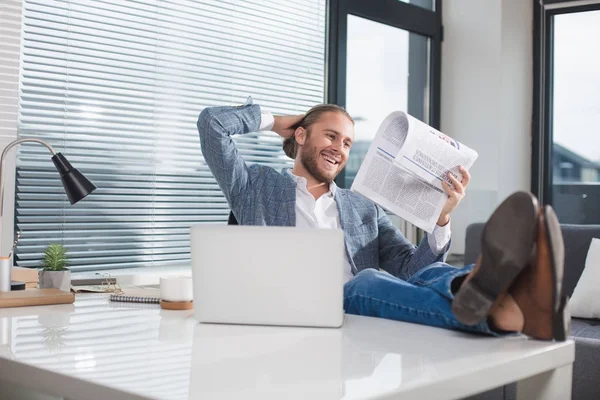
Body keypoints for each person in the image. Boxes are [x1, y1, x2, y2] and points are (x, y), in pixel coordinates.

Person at [196, 97, 569, 341]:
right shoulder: (254, 186)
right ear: (302, 135)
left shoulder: (363, 207)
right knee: (367, 280)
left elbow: (411, 269)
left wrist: (441, 219)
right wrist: (284, 120)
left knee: (429, 274)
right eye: (331, 135)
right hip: (296, 306)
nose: (339, 149)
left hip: (359, 307)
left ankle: (505, 307)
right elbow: (212, 125)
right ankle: (511, 302)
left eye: (346, 143)